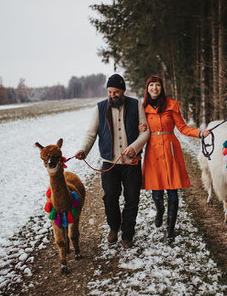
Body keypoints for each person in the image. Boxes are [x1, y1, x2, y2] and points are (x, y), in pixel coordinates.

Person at [75, 74, 149, 249]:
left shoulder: (135, 105)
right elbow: (91, 133)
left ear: (123, 91)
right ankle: (114, 228)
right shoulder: (99, 108)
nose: (112, 95)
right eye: (109, 92)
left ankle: (128, 233)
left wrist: (134, 147)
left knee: (132, 199)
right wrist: (83, 150)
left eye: (116, 92)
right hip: (109, 163)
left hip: (132, 163)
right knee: (110, 198)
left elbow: (145, 132)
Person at [141, 75, 210, 244]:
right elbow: (139, 131)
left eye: (157, 85)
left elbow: (183, 128)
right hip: (153, 153)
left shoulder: (171, 105)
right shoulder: (142, 108)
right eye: (151, 85)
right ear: (147, 88)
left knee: (173, 192)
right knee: (156, 194)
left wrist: (199, 133)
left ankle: (170, 230)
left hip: (170, 150)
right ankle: (160, 210)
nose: (154, 88)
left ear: (161, 87)